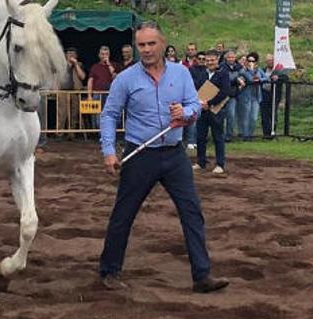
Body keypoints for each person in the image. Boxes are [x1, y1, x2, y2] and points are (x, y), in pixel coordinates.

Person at [98, 21, 229, 294]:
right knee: (124, 213)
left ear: (162, 43)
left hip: (174, 154)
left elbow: (195, 104)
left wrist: (187, 112)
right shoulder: (125, 79)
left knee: (192, 211)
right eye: (141, 45)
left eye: (151, 44)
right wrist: (109, 151)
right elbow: (109, 115)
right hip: (140, 154)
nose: (146, 50)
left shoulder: (181, 74)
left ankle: (202, 276)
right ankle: (109, 271)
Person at [193, 50, 230, 174]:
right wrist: (200, 103)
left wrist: (210, 103)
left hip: (216, 110)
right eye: (207, 60)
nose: (209, 62)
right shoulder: (202, 73)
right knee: (200, 136)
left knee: (218, 137)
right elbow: (197, 87)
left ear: (218, 59)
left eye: (212, 60)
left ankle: (220, 164)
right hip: (202, 110)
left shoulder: (223, 73)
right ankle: (201, 162)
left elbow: (224, 92)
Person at [87, 46, 120, 129]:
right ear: (99, 55)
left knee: (109, 113)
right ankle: (99, 132)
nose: (104, 56)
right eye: (102, 54)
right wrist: (89, 95)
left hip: (110, 94)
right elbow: (90, 81)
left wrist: (109, 64)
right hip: (97, 94)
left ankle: (108, 131)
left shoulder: (114, 65)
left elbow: (116, 78)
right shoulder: (95, 67)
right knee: (97, 114)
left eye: (106, 54)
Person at [237, 53, 268, 141]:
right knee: (245, 117)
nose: (251, 62)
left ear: (256, 62)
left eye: (253, 61)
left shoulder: (259, 70)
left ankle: (250, 135)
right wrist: (251, 70)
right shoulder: (243, 70)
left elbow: (266, 78)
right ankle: (245, 136)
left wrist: (260, 79)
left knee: (254, 118)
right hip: (245, 96)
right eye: (249, 60)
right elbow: (250, 79)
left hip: (256, 97)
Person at [56, 47, 86, 134]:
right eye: (69, 53)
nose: (71, 55)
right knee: (62, 113)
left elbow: (82, 77)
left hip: (75, 91)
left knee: (74, 113)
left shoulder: (79, 64)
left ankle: (71, 133)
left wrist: (75, 64)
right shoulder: (60, 65)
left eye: (73, 54)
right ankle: (59, 133)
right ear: (65, 55)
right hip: (62, 91)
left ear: (76, 56)